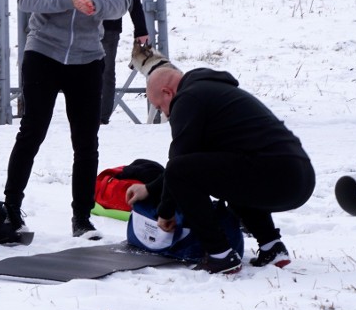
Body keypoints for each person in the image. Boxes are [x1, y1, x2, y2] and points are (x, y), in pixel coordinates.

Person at [4, 0, 131, 239]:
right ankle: (11, 209)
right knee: (32, 132)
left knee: (86, 142)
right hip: (44, 52)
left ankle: (82, 218)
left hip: (88, 57)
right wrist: (66, 1)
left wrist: (98, 7)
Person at [126, 66, 315, 273]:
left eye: (160, 107)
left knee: (185, 170)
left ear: (167, 92)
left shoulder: (189, 99)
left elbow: (178, 165)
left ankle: (220, 254)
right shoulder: (212, 91)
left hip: (275, 175)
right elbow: (197, 163)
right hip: (300, 177)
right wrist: (151, 189)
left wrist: (165, 211)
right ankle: (271, 246)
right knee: (227, 170)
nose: (165, 114)